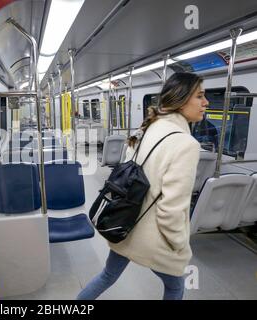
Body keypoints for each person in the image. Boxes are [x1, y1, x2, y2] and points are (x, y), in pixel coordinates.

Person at [77, 72, 209, 300]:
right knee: (176, 287)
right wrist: (179, 245)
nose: (205, 102)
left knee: (107, 275)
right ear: (181, 99)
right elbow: (171, 209)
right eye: (200, 96)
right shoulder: (186, 144)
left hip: (125, 225)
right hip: (153, 238)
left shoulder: (148, 128)